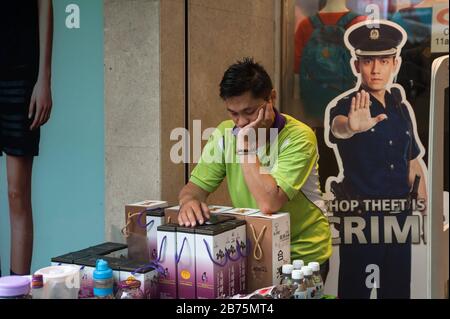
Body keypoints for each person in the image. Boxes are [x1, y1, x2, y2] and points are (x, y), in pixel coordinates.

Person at [177, 57, 332, 280]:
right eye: (233, 113)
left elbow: (269, 203)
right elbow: (194, 188)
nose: (241, 122)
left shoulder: (299, 136)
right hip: (255, 251)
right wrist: (189, 202)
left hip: (302, 258)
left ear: (271, 98)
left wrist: (245, 148)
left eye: (249, 111)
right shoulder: (223, 133)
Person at [326, 20, 427, 298]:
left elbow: (412, 161)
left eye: (383, 60)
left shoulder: (400, 106)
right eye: (368, 60)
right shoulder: (346, 105)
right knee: (355, 291)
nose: (375, 69)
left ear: (394, 62)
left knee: (396, 291)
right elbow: (338, 127)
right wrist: (352, 127)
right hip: (362, 222)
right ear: (357, 64)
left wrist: (424, 204)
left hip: (398, 220)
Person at [0, 0, 53, 276]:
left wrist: (43, 78)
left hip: (20, 74)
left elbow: (45, 4)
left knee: (17, 193)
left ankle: (16, 290)